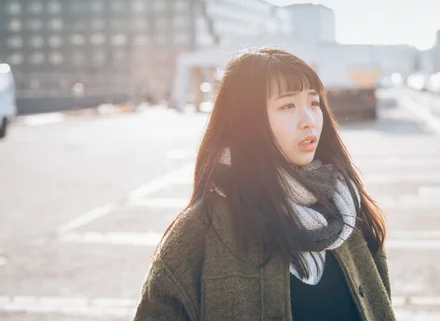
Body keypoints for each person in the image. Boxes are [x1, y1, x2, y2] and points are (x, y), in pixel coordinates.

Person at [133, 47, 395, 321]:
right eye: (288, 106)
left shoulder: (348, 212)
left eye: (314, 103)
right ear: (248, 121)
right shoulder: (200, 233)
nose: (308, 121)